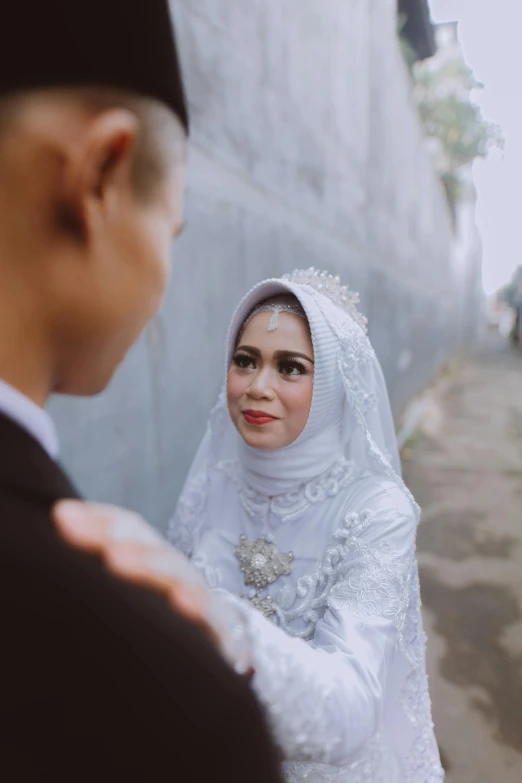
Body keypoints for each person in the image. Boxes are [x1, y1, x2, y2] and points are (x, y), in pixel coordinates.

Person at [0, 2, 283, 781]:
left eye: (292, 366)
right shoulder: (158, 702)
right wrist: (195, 654)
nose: (260, 385)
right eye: (172, 227)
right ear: (101, 176)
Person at [59, 269, 445, 782]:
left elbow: (352, 704)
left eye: (290, 368)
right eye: (245, 362)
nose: (258, 387)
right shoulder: (217, 476)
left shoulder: (377, 512)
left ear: (333, 383)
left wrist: (217, 624)